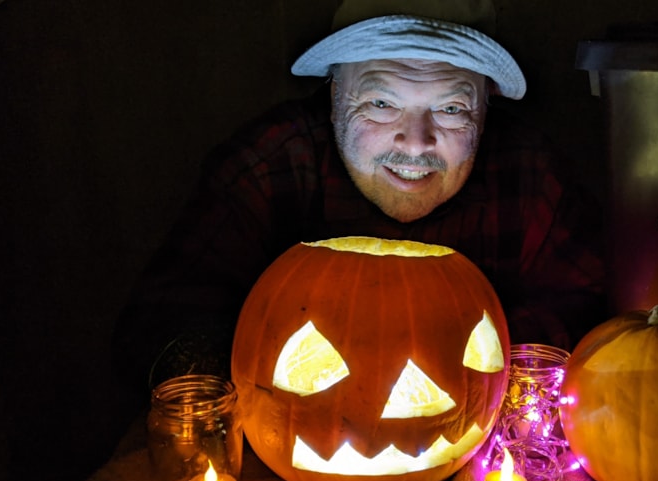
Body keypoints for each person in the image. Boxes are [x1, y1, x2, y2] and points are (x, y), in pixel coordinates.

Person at [112, 0, 606, 401]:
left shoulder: (531, 171)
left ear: (485, 109)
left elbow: (587, 316)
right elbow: (163, 327)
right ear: (333, 98)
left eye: (451, 108)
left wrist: (458, 354)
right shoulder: (269, 164)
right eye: (381, 103)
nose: (415, 143)